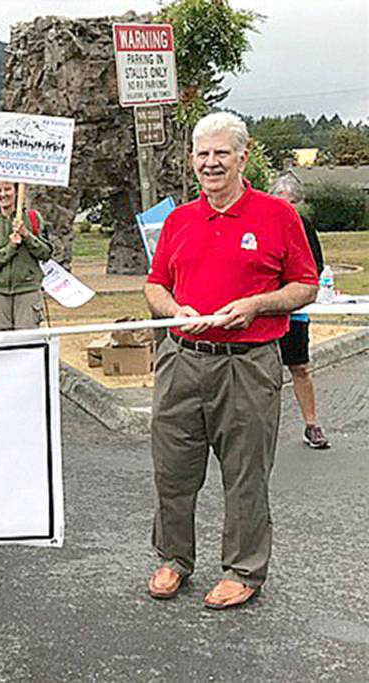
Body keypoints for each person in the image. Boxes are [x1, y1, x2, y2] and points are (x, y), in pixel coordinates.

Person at [143, 112, 317, 610]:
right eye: (203, 154)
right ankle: (174, 558)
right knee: (172, 469)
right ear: (192, 160)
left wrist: (257, 305)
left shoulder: (278, 216)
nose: (211, 163)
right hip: (181, 359)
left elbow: (304, 285)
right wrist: (175, 310)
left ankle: (243, 569)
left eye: (221, 153)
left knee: (245, 474)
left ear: (243, 156)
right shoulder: (178, 220)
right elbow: (154, 285)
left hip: (248, 363)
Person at [268, 175, 330, 450]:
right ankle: (260, 429)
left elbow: (316, 266)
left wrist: (294, 291)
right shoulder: (261, 224)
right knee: (262, 372)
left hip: (294, 312)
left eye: (291, 203)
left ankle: (312, 424)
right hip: (264, 312)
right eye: (280, 202)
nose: (286, 208)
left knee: (300, 368)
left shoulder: (304, 226)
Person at [0, 181, 53, 330]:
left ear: (17, 191)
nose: (3, 194)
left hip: (27, 290)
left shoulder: (32, 218)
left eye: (7, 189)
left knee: (26, 339)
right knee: (2, 341)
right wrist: (11, 247)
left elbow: (45, 253)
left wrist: (26, 235)